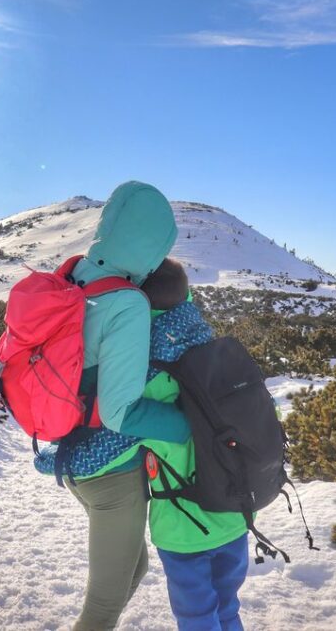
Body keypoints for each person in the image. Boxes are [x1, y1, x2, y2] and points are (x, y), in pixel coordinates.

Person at [40, 181, 191, 631]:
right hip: (111, 474)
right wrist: (187, 426)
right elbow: (119, 413)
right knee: (103, 606)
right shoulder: (126, 302)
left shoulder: (73, 275)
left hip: (73, 451)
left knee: (135, 569)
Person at [140, 258, 250, 631]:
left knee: (197, 617)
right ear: (187, 296)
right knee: (227, 608)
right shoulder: (218, 359)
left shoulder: (149, 378)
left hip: (185, 530)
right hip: (234, 517)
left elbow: (124, 426)